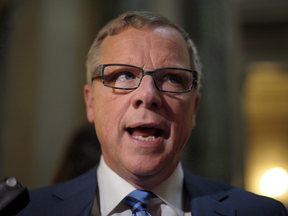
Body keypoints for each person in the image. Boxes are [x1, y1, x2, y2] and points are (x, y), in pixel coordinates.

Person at [19, 11, 287, 216]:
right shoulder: (26, 212)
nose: (147, 95)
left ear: (193, 109)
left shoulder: (261, 213)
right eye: (124, 75)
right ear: (90, 103)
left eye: (171, 78)